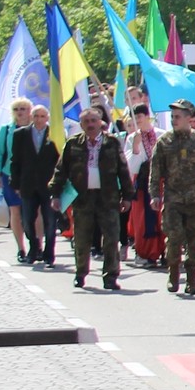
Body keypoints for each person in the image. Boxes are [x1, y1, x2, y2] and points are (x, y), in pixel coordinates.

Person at [48, 105, 131, 290]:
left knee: (111, 238)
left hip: (108, 197)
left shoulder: (112, 142)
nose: (90, 124)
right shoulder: (73, 143)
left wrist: (127, 196)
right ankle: (80, 273)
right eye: (86, 121)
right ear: (81, 124)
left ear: (100, 123)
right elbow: (61, 170)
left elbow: (123, 169)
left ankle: (111, 276)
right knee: (81, 238)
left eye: (94, 121)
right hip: (83, 198)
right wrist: (55, 194)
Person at [148, 100, 195, 297]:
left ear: (188, 118)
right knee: (174, 238)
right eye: (172, 117)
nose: (173, 120)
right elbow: (155, 171)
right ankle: (173, 273)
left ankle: (192, 280)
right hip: (173, 200)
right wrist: (155, 195)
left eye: (177, 117)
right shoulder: (164, 142)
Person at [11, 105, 59, 268]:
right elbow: (15, 160)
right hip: (28, 184)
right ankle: (33, 248)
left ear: (47, 118)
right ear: (31, 117)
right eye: (36, 116)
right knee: (27, 219)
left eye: (42, 116)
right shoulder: (20, 134)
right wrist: (16, 183)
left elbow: (60, 161)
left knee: (50, 221)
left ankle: (49, 253)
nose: (39, 119)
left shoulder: (55, 134)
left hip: (49, 185)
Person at [0, 98, 33, 263]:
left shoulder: (35, 128)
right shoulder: (6, 129)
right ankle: (21, 248)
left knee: (32, 211)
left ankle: (35, 244)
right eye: (16, 109)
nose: (20, 112)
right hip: (10, 175)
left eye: (23, 108)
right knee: (15, 211)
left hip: (31, 176)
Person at [123, 104, 164, 267]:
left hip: (161, 183)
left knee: (162, 218)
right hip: (142, 184)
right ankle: (147, 253)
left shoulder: (161, 135)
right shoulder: (132, 138)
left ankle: (165, 251)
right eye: (134, 117)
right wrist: (135, 147)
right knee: (143, 221)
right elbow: (131, 168)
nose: (137, 120)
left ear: (147, 116)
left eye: (139, 116)